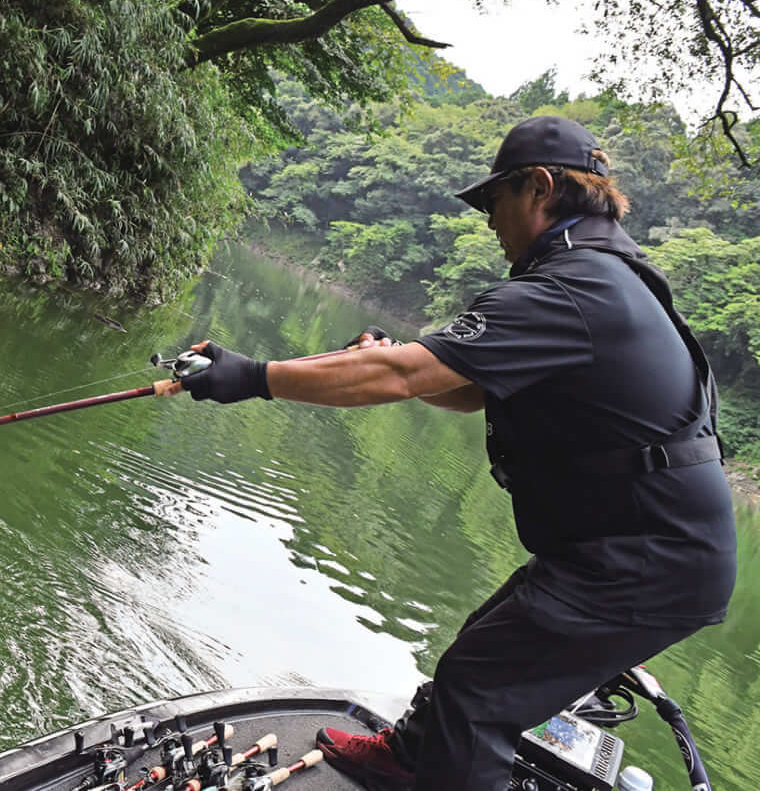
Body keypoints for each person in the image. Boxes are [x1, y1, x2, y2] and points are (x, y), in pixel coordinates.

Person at [178, 116, 736, 791]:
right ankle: (411, 758)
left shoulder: (574, 288)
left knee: (478, 699)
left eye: (491, 200)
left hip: (648, 560)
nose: (487, 220)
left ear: (538, 187)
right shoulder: (599, 278)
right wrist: (391, 361)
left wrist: (254, 376)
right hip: (636, 550)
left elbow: (404, 377)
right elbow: (463, 388)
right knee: (484, 644)